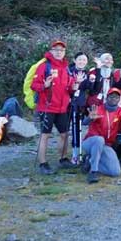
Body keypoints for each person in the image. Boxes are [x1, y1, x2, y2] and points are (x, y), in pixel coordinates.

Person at [31, 40, 74, 175]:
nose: (59, 52)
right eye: (56, 49)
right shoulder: (44, 66)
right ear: (51, 51)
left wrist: (74, 86)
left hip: (62, 108)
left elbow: (70, 86)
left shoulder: (66, 68)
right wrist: (45, 86)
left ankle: (63, 159)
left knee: (64, 135)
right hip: (47, 107)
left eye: (61, 50)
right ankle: (43, 163)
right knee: (45, 136)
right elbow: (34, 85)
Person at [81, 88, 121, 183]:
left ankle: (90, 160)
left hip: (106, 145)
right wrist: (89, 118)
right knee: (99, 140)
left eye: (117, 97)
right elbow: (84, 123)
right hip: (90, 142)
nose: (114, 98)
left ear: (119, 99)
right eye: (111, 96)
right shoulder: (98, 109)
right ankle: (93, 172)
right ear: (107, 97)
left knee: (115, 172)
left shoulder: (120, 111)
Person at [67, 52, 92, 165]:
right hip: (69, 103)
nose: (82, 62)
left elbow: (89, 89)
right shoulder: (69, 71)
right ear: (75, 60)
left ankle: (79, 153)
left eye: (84, 60)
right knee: (72, 129)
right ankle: (74, 154)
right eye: (80, 59)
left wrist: (91, 81)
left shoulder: (86, 73)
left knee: (79, 128)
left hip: (81, 104)